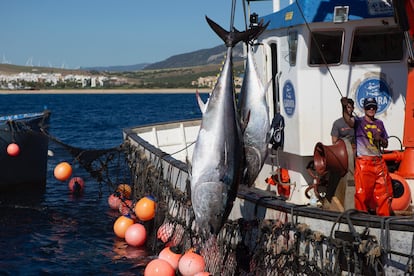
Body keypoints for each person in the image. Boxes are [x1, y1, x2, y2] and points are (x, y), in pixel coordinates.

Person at [341, 97, 393, 216]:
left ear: (376, 108)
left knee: (384, 192)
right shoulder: (359, 121)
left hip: (379, 161)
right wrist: (344, 107)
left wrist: (380, 139)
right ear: (364, 109)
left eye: (373, 107)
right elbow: (348, 120)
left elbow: (386, 143)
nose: (371, 109)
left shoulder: (380, 123)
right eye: (368, 107)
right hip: (364, 162)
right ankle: (362, 218)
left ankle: (384, 219)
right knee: (362, 193)